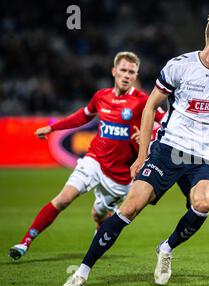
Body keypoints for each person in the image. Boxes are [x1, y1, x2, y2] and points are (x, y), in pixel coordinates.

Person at [62, 7, 209, 286]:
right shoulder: (179, 66)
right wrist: (142, 155)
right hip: (168, 149)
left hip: (203, 157)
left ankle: (166, 249)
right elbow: (150, 107)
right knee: (130, 208)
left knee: (203, 203)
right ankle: (82, 272)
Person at [8, 51, 166, 261]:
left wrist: (150, 135)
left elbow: (166, 122)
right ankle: (24, 242)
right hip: (95, 161)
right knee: (64, 198)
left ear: (136, 75)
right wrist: (53, 128)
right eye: (123, 70)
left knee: (98, 214)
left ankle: (100, 221)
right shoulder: (101, 96)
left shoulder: (143, 101)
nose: (127, 75)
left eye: (131, 72)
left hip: (121, 176)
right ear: (114, 71)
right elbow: (82, 116)